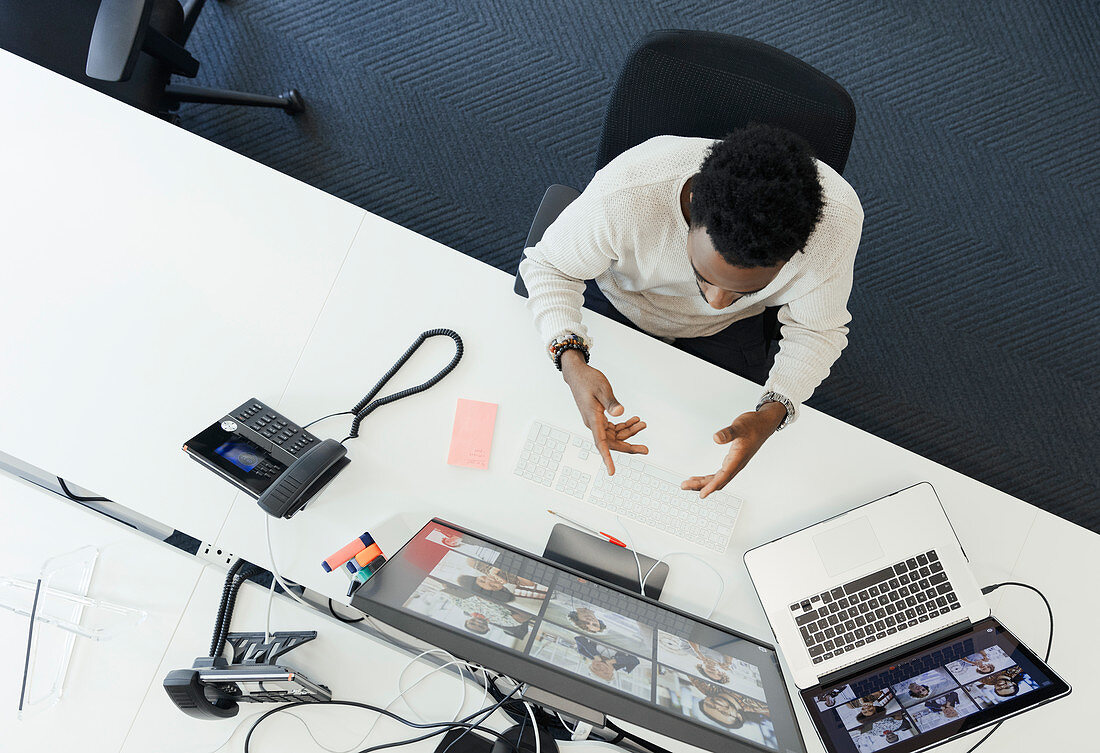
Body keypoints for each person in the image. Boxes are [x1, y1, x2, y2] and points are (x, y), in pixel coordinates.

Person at [519, 125, 863, 494]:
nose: (714, 302)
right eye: (704, 277)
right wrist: (570, 360)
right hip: (623, 300)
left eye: (744, 290)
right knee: (547, 422)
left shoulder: (833, 228)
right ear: (693, 204)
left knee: (706, 456)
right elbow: (549, 267)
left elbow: (818, 330)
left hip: (730, 330)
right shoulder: (626, 195)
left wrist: (773, 412)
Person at [688, 676, 771, 730]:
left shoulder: (704, 686)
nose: (717, 706)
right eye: (724, 712)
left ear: (705, 699)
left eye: (710, 705)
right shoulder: (761, 705)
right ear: (739, 716)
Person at [573, 635, 640, 683]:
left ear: (590, 665)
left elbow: (579, 638)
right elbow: (635, 661)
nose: (601, 668)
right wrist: (614, 661)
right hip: (629, 636)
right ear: (612, 673)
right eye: (605, 673)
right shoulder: (625, 668)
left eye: (595, 669)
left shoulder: (584, 652)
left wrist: (595, 654)